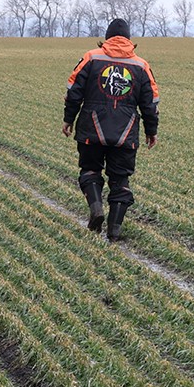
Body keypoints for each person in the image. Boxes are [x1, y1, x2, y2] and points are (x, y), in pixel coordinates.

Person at [63, 17, 159, 241]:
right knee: (120, 180)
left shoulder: (91, 58)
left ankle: (96, 209)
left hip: (91, 129)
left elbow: (73, 91)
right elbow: (150, 102)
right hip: (126, 133)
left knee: (90, 171)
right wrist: (151, 131)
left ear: (106, 38)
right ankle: (114, 230)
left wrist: (68, 118)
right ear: (129, 39)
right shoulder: (141, 66)